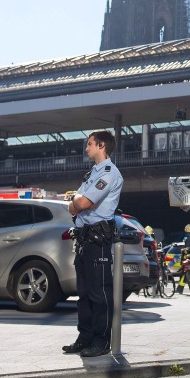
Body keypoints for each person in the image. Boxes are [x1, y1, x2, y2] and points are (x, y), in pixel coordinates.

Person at [61, 130, 123, 358]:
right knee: (84, 294)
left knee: (100, 294)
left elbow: (84, 202)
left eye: (89, 144)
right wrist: (77, 202)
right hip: (84, 238)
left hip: (98, 240)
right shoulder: (91, 174)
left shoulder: (109, 173)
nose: (86, 148)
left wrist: (77, 202)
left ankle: (101, 341)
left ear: (101, 145)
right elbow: (72, 206)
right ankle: (85, 337)